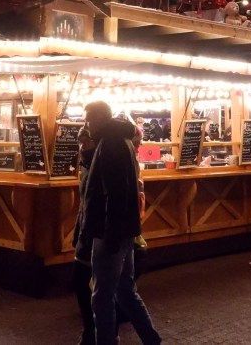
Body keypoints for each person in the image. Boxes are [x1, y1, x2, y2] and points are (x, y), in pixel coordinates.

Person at [79, 101, 161, 345]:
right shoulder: (118, 139)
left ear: (100, 118)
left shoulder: (111, 143)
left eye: (89, 120)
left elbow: (115, 192)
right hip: (124, 230)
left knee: (102, 296)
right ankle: (152, 339)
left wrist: (111, 233)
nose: (86, 125)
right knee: (125, 291)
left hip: (109, 232)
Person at [72, 117, 139, 345]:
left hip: (102, 233)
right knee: (107, 289)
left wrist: (111, 235)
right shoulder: (88, 163)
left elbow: (113, 198)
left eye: (86, 142)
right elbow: (86, 203)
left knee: (105, 291)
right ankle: (96, 332)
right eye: (81, 143)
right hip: (92, 232)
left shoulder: (108, 154)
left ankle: (102, 335)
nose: (83, 147)